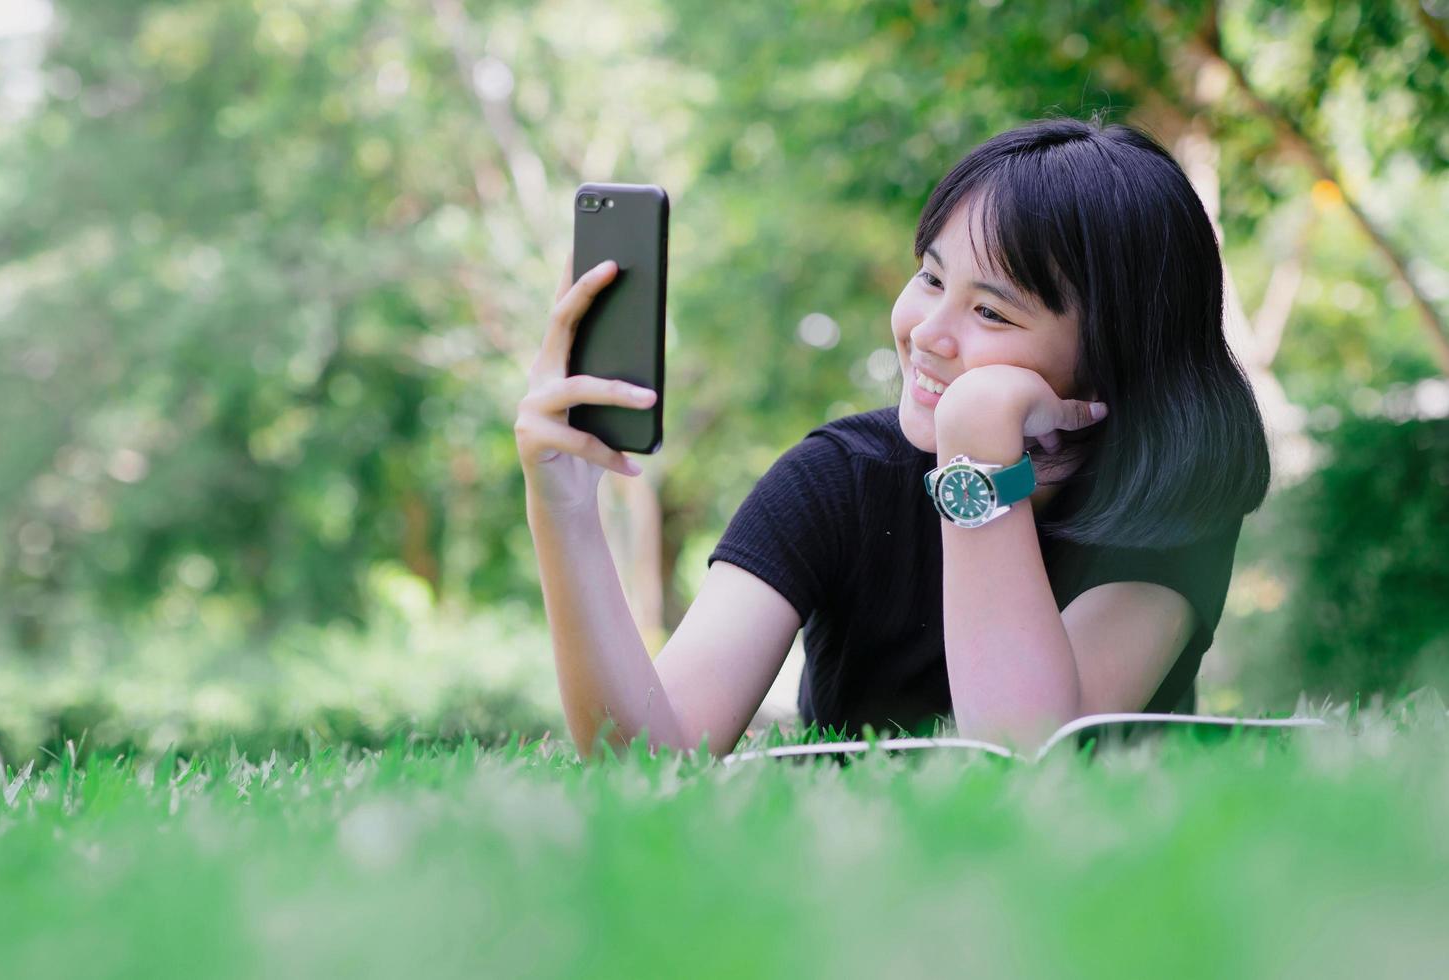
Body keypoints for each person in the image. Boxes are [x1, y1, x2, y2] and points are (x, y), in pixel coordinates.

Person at [514, 117, 1270, 760]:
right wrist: (564, 508)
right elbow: (646, 758)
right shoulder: (837, 479)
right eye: (933, 280)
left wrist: (975, 443)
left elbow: (1023, 755)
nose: (928, 336)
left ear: (1113, 358)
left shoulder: (1169, 500)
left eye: (993, 314)